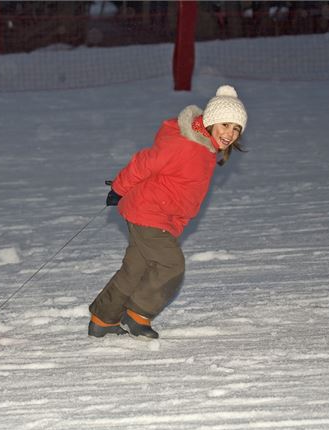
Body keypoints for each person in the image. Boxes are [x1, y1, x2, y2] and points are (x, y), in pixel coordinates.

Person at [89, 85, 248, 339]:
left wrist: (176, 221)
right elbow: (144, 162)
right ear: (210, 122)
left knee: (135, 269)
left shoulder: (206, 149)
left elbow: (183, 192)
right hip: (149, 213)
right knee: (172, 264)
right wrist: (119, 188)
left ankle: (102, 319)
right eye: (225, 125)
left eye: (236, 129)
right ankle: (137, 315)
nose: (230, 134)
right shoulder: (186, 146)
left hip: (156, 215)